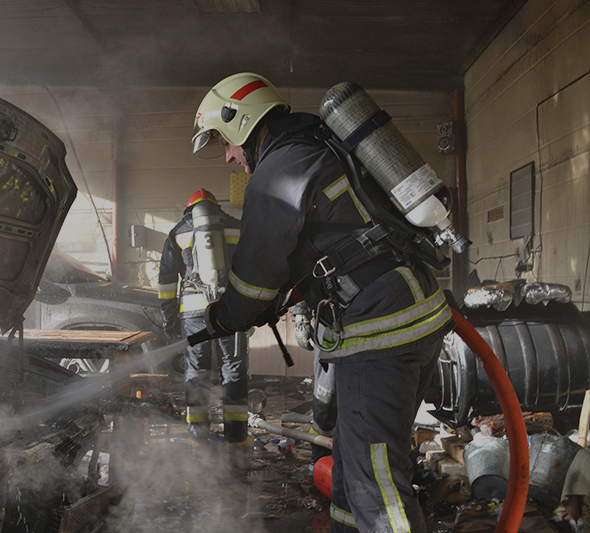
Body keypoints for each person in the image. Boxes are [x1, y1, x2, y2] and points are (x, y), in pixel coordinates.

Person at [189, 73, 454, 533]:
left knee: (377, 483)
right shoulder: (322, 149)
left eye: (225, 142)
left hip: (380, 332)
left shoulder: (277, 173)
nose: (230, 156)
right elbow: (330, 249)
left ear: (242, 123)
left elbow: (253, 279)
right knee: (354, 465)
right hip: (410, 313)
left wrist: (222, 317)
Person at [158, 189, 250, 449]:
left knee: (197, 371)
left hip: (194, 314)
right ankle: (237, 437)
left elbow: (166, 282)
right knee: (232, 368)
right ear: (217, 208)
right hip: (230, 310)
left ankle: (198, 437)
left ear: (189, 210)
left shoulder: (178, 232)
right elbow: (251, 269)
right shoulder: (235, 227)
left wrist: (170, 320)